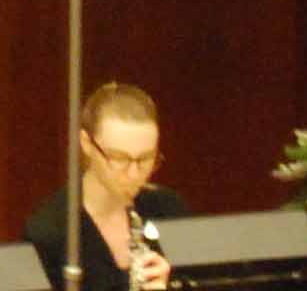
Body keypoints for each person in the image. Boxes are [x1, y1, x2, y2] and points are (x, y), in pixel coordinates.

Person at [20, 83, 185, 291]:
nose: (134, 175)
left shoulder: (168, 209)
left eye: (145, 159)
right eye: (119, 158)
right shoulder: (49, 233)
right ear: (87, 143)